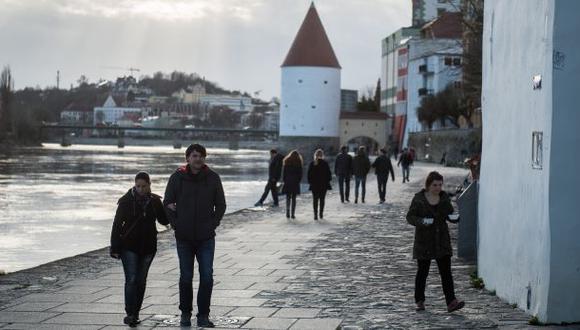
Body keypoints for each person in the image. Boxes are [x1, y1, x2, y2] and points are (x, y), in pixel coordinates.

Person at [164, 144, 226, 328]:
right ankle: (185, 313)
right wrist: (177, 224)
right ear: (188, 158)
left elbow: (221, 205)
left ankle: (203, 315)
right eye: (194, 156)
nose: (198, 159)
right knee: (186, 276)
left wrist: (212, 223)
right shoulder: (177, 178)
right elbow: (167, 202)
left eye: (201, 156)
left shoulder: (213, 178)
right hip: (184, 237)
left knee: (207, 276)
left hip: (206, 237)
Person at [110, 172, 169, 327]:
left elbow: (164, 220)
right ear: (134, 185)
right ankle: (130, 313)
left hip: (148, 247)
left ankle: (136, 313)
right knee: (131, 279)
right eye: (138, 186)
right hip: (129, 246)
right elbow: (117, 225)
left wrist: (171, 207)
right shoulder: (126, 201)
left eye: (144, 186)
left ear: (149, 185)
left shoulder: (155, 201)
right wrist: (114, 247)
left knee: (141, 281)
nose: (141, 189)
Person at [406, 171, 465, 313]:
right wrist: (422, 221)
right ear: (428, 184)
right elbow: (410, 217)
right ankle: (419, 301)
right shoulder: (419, 199)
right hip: (424, 241)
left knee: (446, 273)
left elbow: (449, 213)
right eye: (435, 185)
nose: (438, 188)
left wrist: (453, 217)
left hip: (441, 240)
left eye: (440, 184)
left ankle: (451, 302)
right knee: (422, 272)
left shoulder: (444, 198)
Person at [307, 149, 332, 220]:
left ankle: (315, 214)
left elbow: (309, 175)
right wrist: (327, 180)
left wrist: (311, 182)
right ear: (322, 155)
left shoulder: (312, 163)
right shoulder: (325, 163)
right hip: (323, 185)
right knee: (322, 199)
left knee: (315, 200)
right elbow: (329, 174)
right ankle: (321, 214)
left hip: (314, 185)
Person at [282, 150, 303, 219]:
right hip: (295, 182)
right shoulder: (299, 162)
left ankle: (287, 212)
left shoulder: (287, 161)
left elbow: (284, 174)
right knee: (294, 198)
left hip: (288, 182)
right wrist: (298, 181)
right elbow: (300, 174)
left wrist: (285, 181)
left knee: (288, 198)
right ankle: (293, 214)